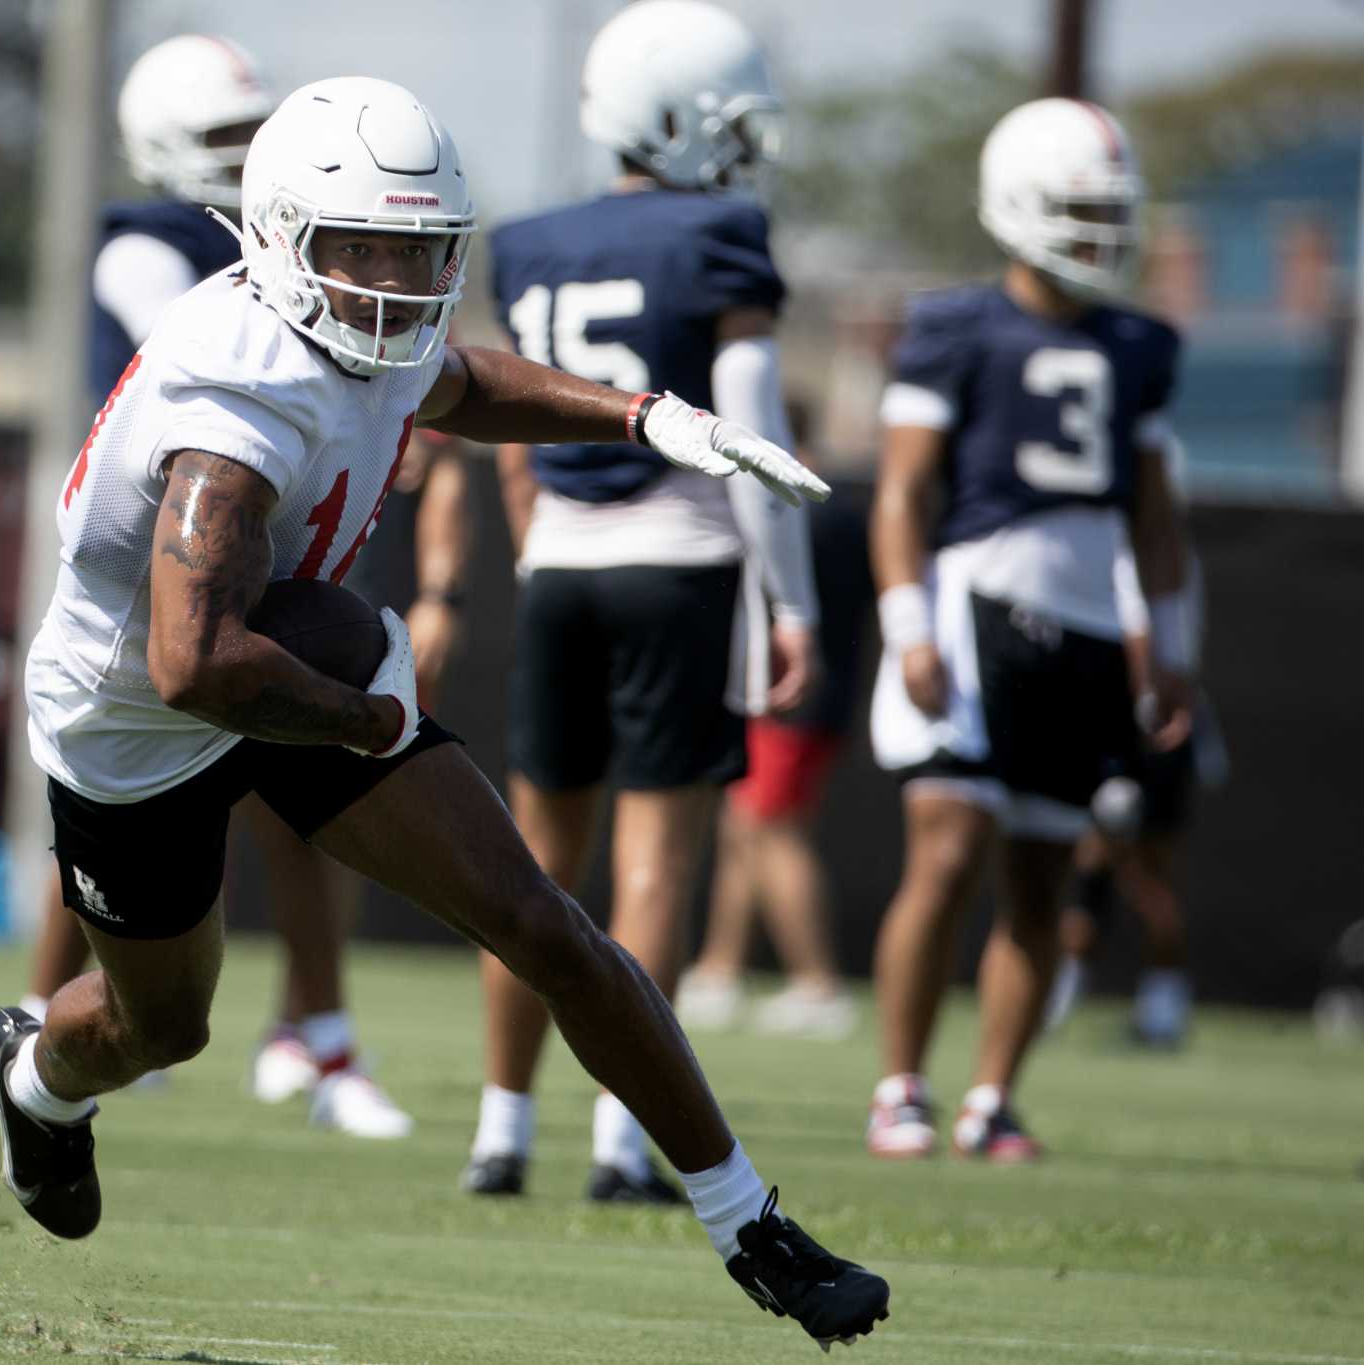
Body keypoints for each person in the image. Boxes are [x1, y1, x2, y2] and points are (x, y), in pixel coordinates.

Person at [0, 76, 888, 1351]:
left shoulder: (361, 323)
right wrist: (366, 720)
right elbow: (191, 666)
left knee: (543, 925)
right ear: (286, 237)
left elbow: (457, 383)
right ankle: (33, 1078)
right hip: (134, 720)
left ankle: (749, 1224)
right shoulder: (233, 404)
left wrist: (645, 414)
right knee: (162, 1024)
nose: (398, 274)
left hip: (281, 658)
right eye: (366, 246)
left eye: (421, 245)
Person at [0, 37, 416, 1138]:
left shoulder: (285, 242)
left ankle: (314, 1034)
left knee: (302, 811)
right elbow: (220, 390)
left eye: (253, 135)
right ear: (163, 144)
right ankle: (42, 1015)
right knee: (109, 820)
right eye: (225, 137)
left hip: (271, 555)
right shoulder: (148, 249)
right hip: (159, 569)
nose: (245, 157)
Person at [462, 0, 821, 1204]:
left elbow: (507, 417)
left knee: (526, 867)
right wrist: (793, 603)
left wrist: (532, 545)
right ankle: (624, 1144)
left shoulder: (529, 239)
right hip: (680, 560)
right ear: (669, 119)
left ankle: (498, 1129)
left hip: (560, 564)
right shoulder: (721, 233)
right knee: (654, 864)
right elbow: (752, 434)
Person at [865, 98, 1195, 1161]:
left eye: (1109, 213)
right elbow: (902, 494)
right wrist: (907, 623)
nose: (1098, 235)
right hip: (969, 606)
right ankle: (899, 1087)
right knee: (948, 846)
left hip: (1088, 618)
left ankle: (989, 1099)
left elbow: (1151, 512)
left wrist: (1170, 642)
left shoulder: (1139, 343)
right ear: (1016, 207)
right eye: (1076, 211)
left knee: (1043, 874)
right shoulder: (955, 326)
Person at [684, 400, 868, 1041]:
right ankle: (719, 969)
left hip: (790, 696)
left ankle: (819, 984)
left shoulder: (786, 504)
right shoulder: (837, 506)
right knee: (746, 829)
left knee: (771, 831)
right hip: (806, 696)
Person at [1043, 528, 1223, 1047]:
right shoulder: (1139, 547)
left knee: (1133, 868)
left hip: (1147, 734)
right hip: (1132, 729)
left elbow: (1147, 640)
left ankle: (1157, 1003)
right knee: (1094, 867)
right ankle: (1070, 989)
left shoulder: (1152, 551)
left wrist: (1142, 713)